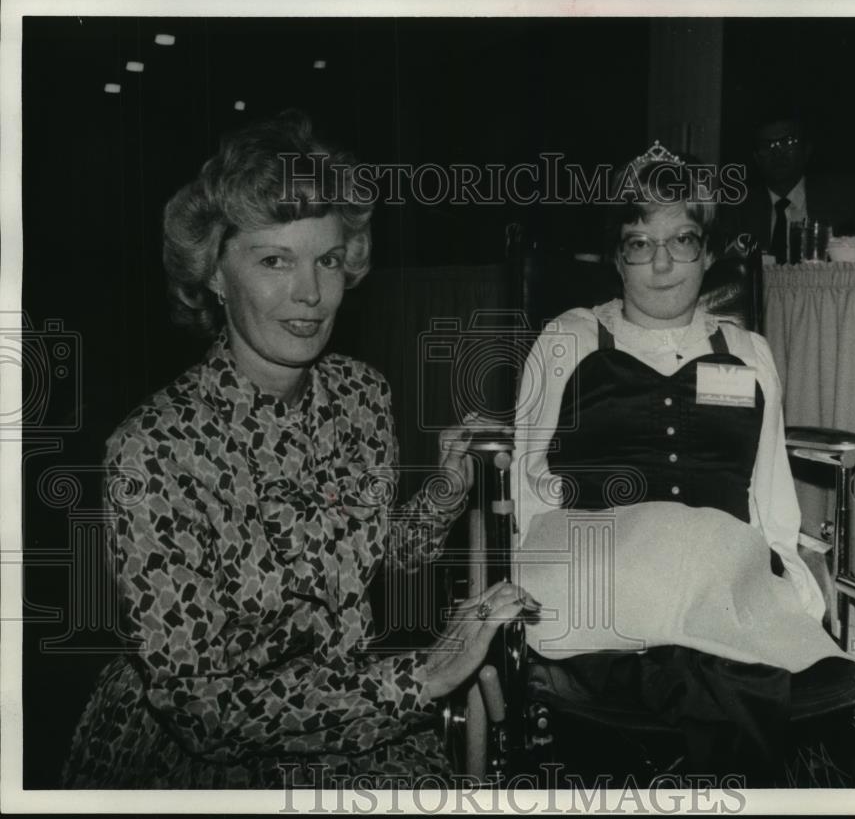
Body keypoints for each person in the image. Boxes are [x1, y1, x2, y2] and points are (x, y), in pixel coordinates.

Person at [61, 110, 537, 789]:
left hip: (351, 717)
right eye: (275, 260)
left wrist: (443, 493)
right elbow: (201, 709)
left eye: (328, 260)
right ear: (216, 274)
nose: (311, 293)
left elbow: (380, 555)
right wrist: (424, 676)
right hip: (198, 761)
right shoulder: (152, 448)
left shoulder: (361, 394)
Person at [510, 144, 855, 785]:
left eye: (683, 239)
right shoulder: (569, 339)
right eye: (640, 243)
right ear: (616, 257)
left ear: (709, 250)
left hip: (721, 578)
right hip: (602, 571)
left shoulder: (750, 352)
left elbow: (768, 496)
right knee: (733, 680)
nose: (664, 262)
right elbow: (531, 486)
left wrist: (791, 572)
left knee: (732, 646)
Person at [720, 112, 855, 263]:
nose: (777, 153)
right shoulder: (738, 209)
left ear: (807, 150)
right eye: (767, 146)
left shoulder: (844, 196)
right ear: (756, 158)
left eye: (788, 142)